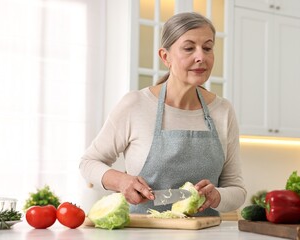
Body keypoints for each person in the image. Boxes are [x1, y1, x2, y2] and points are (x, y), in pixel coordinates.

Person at [79, 12, 246, 216]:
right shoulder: (135, 105)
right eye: (189, 48)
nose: (201, 56)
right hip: (144, 233)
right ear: (165, 57)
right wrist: (122, 181)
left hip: (204, 233)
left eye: (208, 48)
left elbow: (237, 189)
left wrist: (217, 196)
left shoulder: (223, 110)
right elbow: (88, 163)